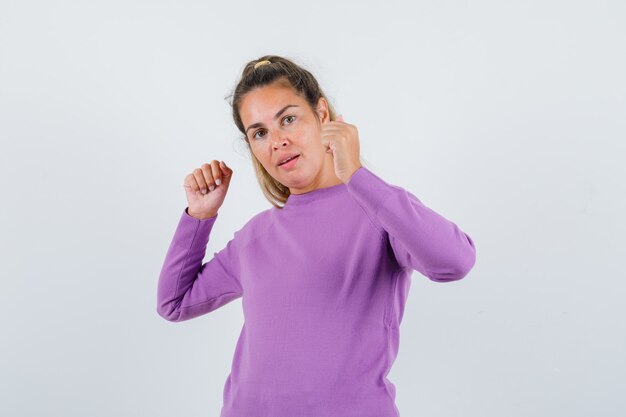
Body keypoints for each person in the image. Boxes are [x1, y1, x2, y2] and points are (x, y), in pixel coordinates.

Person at [156, 55, 477, 417]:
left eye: (288, 119)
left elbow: (455, 261)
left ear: (322, 115)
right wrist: (199, 216)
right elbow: (174, 304)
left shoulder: (379, 212)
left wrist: (356, 175)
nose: (277, 141)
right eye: (259, 133)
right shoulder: (255, 236)